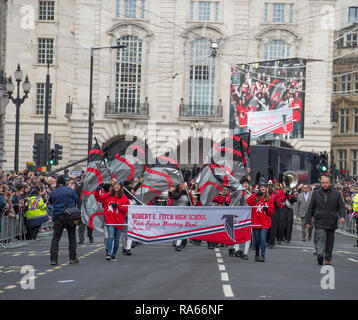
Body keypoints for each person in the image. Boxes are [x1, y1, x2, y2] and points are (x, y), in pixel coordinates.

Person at [306, 175, 345, 266]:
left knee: (330, 241)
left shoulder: (336, 194)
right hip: (319, 220)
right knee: (321, 238)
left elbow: (341, 207)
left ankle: (328, 258)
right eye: (323, 183)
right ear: (321, 183)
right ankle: (320, 254)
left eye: (326, 183)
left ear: (330, 183)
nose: (325, 184)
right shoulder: (316, 193)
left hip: (332, 221)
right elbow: (311, 208)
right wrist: (308, 221)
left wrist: (342, 216)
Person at [95, 180, 129, 262]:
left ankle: (114, 254)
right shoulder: (108, 195)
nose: (116, 186)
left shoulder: (124, 198)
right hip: (110, 221)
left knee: (117, 239)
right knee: (110, 236)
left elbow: (126, 209)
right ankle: (109, 254)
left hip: (119, 221)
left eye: (118, 185)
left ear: (121, 187)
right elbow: (98, 198)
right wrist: (97, 190)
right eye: (115, 185)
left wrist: (118, 206)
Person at [49, 175, 79, 265]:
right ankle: (72, 258)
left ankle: (53, 259)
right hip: (70, 216)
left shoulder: (53, 192)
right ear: (65, 183)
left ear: (57, 183)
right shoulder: (70, 190)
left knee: (56, 238)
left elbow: (51, 201)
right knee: (72, 237)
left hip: (58, 216)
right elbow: (77, 199)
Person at [247, 179, 274, 262]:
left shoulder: (269, 198)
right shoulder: (256, 197)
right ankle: (257, 254)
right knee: (257, 239)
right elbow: (248, 201)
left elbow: (271, 212)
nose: (263, 188)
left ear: (266, 188)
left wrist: (267, 209)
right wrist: (255, 195)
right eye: (261, 187)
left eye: (264, 187)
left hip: (265, 223)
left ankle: (262, 254)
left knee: (262, 238)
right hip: (256, 222)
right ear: (259, 188)